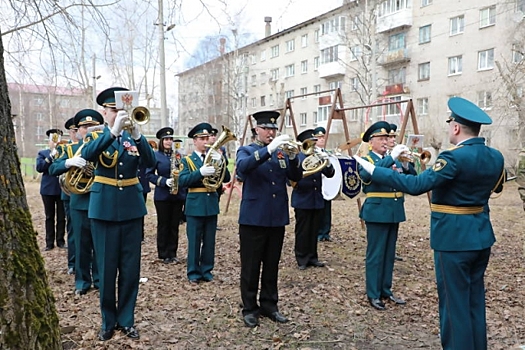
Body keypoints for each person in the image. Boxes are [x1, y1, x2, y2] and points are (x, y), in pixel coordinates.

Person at [355, 97, 505, 350]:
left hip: (453, 238)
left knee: (454, 303)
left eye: (450, 124)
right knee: (474, 300)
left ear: (456, 127)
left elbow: (417, 185)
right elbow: (497, 187)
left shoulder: (453, 158)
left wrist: (375, 171)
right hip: (481, 235)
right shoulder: (496, 156)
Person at [80, 87, 156, 341]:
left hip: (132, 209)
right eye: (115, 110)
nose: (120, 114)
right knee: (106, 267)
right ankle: (108, 320)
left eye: (123, 110)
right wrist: (112, 133)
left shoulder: (131, 138)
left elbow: (151, 163)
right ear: (105, 112)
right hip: (104, 210)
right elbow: (89, 156)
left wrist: (137, 135)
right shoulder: (95, 136)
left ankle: (127, 319)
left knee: (130, 268)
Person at [236, 110, 302, 328]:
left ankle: (269, 305)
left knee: (272, 264)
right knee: (251, 265)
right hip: (254, 218)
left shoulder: (281, 153)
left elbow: (295, 177)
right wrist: (268, 150)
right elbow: (243, 169)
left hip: (276, 217)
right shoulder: (246, 150)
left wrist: (293, 158)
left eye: (274, 129)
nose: (271, 133)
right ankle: (249, 308)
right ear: (257, 130)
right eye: (266, 129)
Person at [357, 121, 412, 311]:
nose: (386, 142)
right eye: (381, 139)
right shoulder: (366, 159)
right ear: (371, 142)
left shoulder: (392, 158)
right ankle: (373, 293)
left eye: (387, 138)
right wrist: (392, 158)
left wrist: (405, 162)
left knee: (389, 254)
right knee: (375, 255)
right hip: (377, 210)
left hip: (394, 209)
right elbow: (369, 176)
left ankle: (385, 290)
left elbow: (411, 176)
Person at [49, 109, 103, 295]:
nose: (88, 130)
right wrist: (69, 163)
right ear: (78, 130)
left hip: (100, 201)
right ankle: (82, 282)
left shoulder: (105, 147)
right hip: (79, 202)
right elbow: (52, 169)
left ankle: (99, 279)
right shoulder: (69, 149)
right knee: (80, 244)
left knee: (100, 244)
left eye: (92, 126)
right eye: (84, 127)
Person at [178, 123, 230, 283]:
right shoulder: (187, 160)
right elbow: (182, 180)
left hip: (211, 203)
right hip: (195, 204)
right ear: (194, 141)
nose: (206, 141)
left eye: (207, 138)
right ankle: (193, 272)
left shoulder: (214, 157)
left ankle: (207, 270)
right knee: (194, 240)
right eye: (202, 138)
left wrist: (221, 161)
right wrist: (199, 173)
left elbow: (226, 178)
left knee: (209, 240)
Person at [291, 129, 334, 270]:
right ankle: (302, 258)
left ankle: (313, 257)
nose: (314, 146)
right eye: (311, 143)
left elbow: (330, 173)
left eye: (314, 143)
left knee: (314, 229)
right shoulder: (298, 158)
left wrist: (326, 161)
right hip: (302, 199)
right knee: (303, 230)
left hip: (316, 199)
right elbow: (290, 179)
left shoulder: (318, 157)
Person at [145, 127, 187, 264]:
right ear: (161, 141)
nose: (169, 142)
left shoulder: (178, 155)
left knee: (174, 225)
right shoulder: (155, 156)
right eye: (166, 139)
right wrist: (163, 181)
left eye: (170, 139)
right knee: (163, 224)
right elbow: (149, 174)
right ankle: (163, 253)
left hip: (178, 195)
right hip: (163, 196)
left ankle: (172, 252)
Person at [36, 128, 66, 251]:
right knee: (49, 216)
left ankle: (60, 241)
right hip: (47, 189)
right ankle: (49, 242)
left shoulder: (64, 152)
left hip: (61, 188)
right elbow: (40, 167)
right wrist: (50, 157)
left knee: (61, 217)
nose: (55, 142)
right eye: (53, 139)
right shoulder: (43, 153)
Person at [62, 117, 78, 274]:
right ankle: (73, 262)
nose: (76, 133)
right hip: (70, 194)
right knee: (73, 230)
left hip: (89, 194)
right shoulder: (65, 149)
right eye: (73, 131)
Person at [313, 127, 333, 242]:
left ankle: (326, 232)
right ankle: (318, 232)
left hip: (327, 184)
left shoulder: (326, 153)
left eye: (322, 137)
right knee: (319, 210)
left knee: (327, 209)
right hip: (317, 184)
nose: (321, 139)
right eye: (318, 137)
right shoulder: (312, 152)